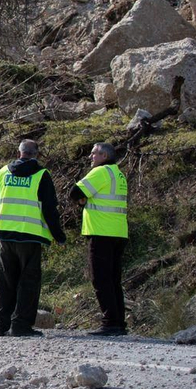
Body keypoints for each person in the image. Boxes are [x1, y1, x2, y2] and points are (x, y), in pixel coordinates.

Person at [0, 139, 67, 337]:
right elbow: (49, 209)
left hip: (4, 234)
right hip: (30, 236)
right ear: (36, 154)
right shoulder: (41, 175)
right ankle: (20, 325)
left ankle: (0, 325)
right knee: (28, 282)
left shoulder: (3, 172)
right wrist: (59, 236)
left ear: (19, 152)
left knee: (5, 281)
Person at [72, 142, 130, 336]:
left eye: (94, 154)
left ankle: (110, 322)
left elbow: (75, 193)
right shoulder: (118, 174)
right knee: (113, 280)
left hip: (101, 232)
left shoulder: (101, 172)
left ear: (104, 156)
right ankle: (119, 322)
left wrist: (83, 200)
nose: (90, 157)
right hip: (118, 232)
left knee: (100, 279)